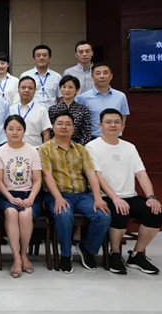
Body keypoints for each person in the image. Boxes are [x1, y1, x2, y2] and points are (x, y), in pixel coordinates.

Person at [87, 109, 162, 275]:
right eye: (108, 122)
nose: (113, 125)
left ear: (122, 125)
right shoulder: (92, 147)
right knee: (120, 211)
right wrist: (115, 198)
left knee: (154, 212)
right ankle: (115, 253)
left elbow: (141, 174)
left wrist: (151, 197)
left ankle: (137, 254)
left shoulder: (129, 147)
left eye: (116, 122)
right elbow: (98, 176)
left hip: (130, 195)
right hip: (107, 196)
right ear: (100, 125)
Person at [40, 112, 111, 273]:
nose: (64, 127)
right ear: (53, 127)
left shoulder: (81, 150)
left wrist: (97, 198)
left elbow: (91, 174)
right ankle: (66, 254)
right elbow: (47, 175)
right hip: (57, 194)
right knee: (64, 214)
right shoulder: (44, 149)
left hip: (82, 195)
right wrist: (58, 198)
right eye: (60, 123)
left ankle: (88, 249)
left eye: (68, 124)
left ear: (73, 128)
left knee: (103, 215)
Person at [0, 115, 43, 278]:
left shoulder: (32, 151)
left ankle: (23, 254)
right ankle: (16, 257)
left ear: (24, 131)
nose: (15, 132)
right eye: (11, 129)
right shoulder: (0, 152)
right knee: (11, 212)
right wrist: (10, 198)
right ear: (5, 131)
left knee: (26, 215)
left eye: (19, 129)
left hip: (29, 194)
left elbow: (37, 180)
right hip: (7, 194)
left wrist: (31, 198)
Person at [76, 62, 130, 139]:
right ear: (92, 77)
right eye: (98, 73)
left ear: (111, 76)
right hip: (92, 139)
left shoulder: (121, 96)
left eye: (105, 73)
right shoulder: (83, 98)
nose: (102, 76)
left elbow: (123, 120)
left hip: (114, 138)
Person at [48, 75, 92, 145]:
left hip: (77, 146)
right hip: (56, 146)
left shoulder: (83, 110)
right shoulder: (52, 109)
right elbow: (50, 132)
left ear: (77, 90)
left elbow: (87, 134)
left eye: (70, 87)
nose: (67, 90)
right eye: (64, 87)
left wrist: (77, 147)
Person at [9, 76, 51, 148]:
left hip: (35, 149)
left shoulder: (41, 110)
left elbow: (46, 133)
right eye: (23, 87)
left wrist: (45, 150)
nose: (26, 90)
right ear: (18, 90)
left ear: (34, 91)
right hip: (14, 149)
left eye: (30, 88)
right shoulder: (11, 109)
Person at [19, 45, 61, 109]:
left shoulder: (57, 77)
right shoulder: (25, 75)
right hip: (30, 111)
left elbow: (60, 98)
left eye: (44, 55)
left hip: (51, 112)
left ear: (49, 58)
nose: (41, 58)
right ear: (34, 59)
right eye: (38, 55)